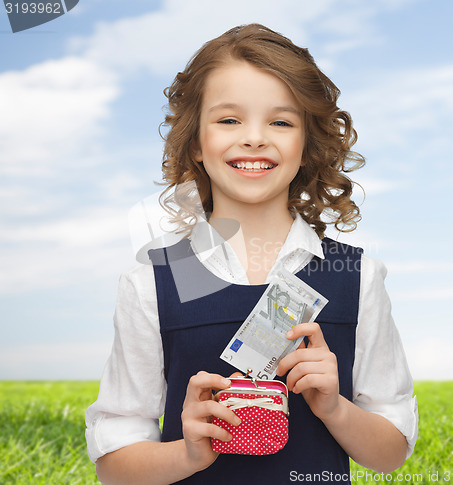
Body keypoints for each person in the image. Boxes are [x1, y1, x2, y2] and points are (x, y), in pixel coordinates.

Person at [85, 24, 418, 485]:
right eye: (229, 120)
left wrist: (335, 408)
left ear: (307, 146)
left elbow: (390, 453)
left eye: (281, 122)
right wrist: (188, 455)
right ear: (197, 142)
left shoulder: (356, 277)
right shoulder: (154, 283)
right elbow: (114, 467)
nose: (255, 138)